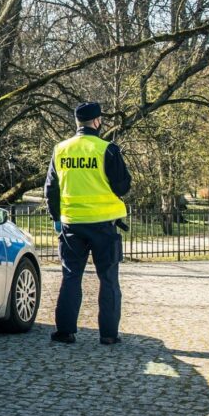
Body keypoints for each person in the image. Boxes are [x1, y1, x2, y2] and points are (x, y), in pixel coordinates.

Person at [44, 102, 132, 345]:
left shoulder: (61, 150)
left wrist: (56, 218)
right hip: (103, 224)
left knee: (71, 276)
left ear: (77, 123)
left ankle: (65, 331)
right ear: (97, 121)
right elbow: (122, 186)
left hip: (72, 223)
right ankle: (108, 335)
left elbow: (51, 188)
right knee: (108, 278)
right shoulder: (108, 149)